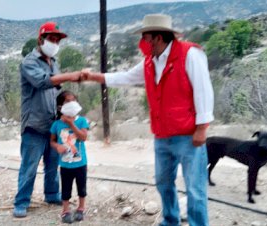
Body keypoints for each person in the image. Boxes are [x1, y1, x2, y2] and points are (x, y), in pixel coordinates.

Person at [82, 14, 214, 226]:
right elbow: (125, 77)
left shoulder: (190, 53)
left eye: (145, 37)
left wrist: (202, 128)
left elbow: (204, 90)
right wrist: (93, 77)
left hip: (188, 135)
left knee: (195, 188)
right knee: (163, 182)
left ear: (158, 38)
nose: (142, 42)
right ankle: (170, 220)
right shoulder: (150, 62)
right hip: (162, 135)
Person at [13, 21, 83, 218]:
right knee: (29, 167)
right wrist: (69, 76)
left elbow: (56, 92)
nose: (54, 43)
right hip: (34, 125)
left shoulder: (55, 62)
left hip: (52, 125)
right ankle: (21, 202)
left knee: (53, 164)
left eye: (57, 40)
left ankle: (51, 194)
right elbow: (43, 82)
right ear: (40, 39)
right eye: (51, 39)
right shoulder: (29, 62)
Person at [50, 91, 89, 223]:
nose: (71, 103)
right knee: (66, 188)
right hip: (65, 164)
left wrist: (71, 124)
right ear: (60, 107)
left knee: (81, 187)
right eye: (67, 101)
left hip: (80, 163)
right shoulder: (56, 124)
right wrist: (57, 147)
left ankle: (81, 208)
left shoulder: (82, 121)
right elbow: (52, 140)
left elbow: (83, 137)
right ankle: (65, 210)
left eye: (74, 100)